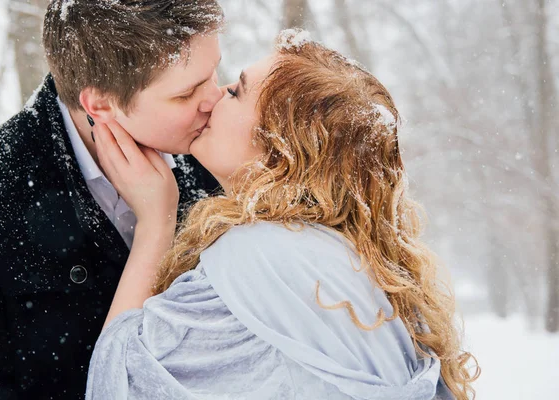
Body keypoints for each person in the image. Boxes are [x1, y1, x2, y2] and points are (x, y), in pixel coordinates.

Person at [85, 30, 479, 400]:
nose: (216, 95)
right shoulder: (346, 257)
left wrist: (156, 222)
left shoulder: (260, 260)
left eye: (237, 92)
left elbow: (116, 381)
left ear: (280, 149)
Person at [0, 1, 224, 398]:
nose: (215, 97)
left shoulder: (218, 147)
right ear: (99, 105)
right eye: (187, 93)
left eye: (213, 72)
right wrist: (157, 224)